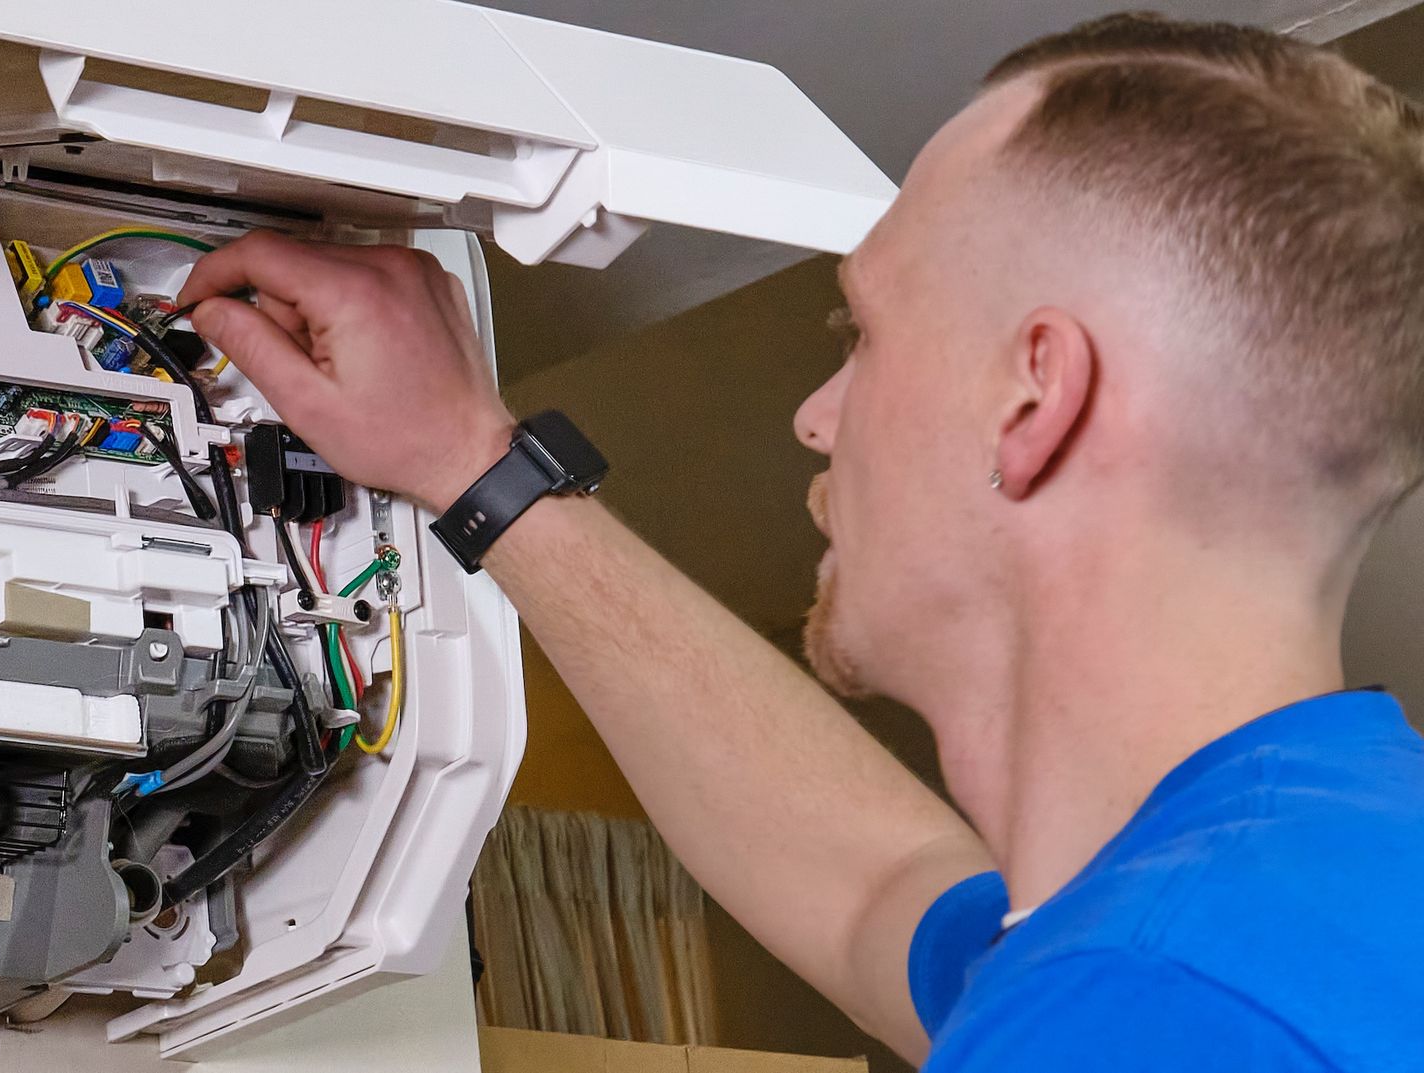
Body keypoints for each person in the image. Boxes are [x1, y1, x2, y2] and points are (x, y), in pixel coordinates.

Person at [175, 13, 1424, 1071]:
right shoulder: (1296, 897)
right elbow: (877, 887)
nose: (814, 416)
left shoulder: (1158, 1006)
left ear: (1033, 402)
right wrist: (468, 458)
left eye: (861, 328)